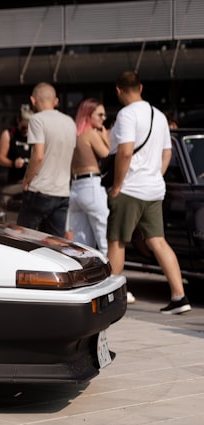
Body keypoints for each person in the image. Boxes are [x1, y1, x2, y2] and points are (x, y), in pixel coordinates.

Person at [107, 71, 190, 314]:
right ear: (141, 88)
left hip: (130, 188)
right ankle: (179, 296)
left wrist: (117, 185)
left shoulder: (126, 114)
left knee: (117, 241)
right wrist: (155, 174)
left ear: (119, 90)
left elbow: (124, 152)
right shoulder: (160, 116)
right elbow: (167, 153)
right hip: (154, 189)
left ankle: (108, 297)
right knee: (158, 241)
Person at [17, 83, 76, 238]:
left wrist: (27, 179)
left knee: (23, 238)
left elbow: (38, 156)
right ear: (55, 101)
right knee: (54, 244)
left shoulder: (37, 119)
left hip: (40, 189)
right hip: (62, 191)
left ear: (33, 100)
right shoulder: (70, 122)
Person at [68, 98, 109, 252]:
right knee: (104, 237)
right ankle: (109, 275)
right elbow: (107, 155)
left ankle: (84, 275)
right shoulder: (90, 133)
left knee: (81, 242)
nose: (103, 118)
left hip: (76, 187)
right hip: (91, 185)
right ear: (88, 115)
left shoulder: (75, 134)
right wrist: (105, 138)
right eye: (100, 115)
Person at [0, 106, 32, 186]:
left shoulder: (35, 135)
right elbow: (0, 159)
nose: (26, 130)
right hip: (15, 181)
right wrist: (13, 163)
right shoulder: (9, 134)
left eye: (29, 127)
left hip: (31, 181)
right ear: (18, 121)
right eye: (24, 127)